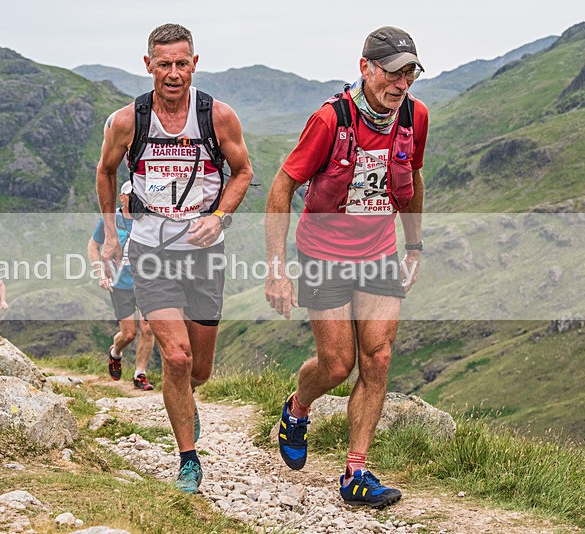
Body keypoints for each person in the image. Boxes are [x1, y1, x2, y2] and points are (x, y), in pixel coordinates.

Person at [265, 26, 428, 508]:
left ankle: (356, 472)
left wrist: (413, 245)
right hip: (323, 254)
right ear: (366, 68)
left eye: (410, 73)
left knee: (378, 357)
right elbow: (280, 188)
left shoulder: (415, 116)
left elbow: (413, 177)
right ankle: (297, 410)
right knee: (337, 364)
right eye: (393, 73)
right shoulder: (329, 120)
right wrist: (277, 270)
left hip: (379, 252)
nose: (401, 84)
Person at [96, 23, 253, 493]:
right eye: (163, 64)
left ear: (195, 64)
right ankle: (188, 459)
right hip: (150, 252)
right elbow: (105, 173)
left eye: (181, 63)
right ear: (148, 65)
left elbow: (243, 172)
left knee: (198, 371)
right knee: (177, 357)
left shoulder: (217, 117)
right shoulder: (128, 121)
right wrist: (110, 235)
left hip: (204, 255)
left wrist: (220, 216)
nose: (173, 73)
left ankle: (185, 400)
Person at [88, 180, 156, 391]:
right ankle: (115, 352)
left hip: (146, 282)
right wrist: (100, 274)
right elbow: (93, 245)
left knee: (148, 327)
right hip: (120, 283)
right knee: (129, 334)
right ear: (122, 197)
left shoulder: (146, 219)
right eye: (130, 195)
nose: (135, 198)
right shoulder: (111, 219)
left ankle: (140, 374)